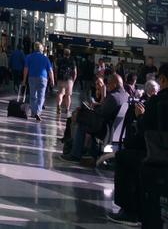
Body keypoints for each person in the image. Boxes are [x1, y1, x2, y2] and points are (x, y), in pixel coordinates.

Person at [110, 63, 168, 225]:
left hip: (158, 159)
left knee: (124, 157)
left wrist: (140, 117)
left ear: (162, 79)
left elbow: (146, 135)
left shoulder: (157, 102)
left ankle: (130, 211)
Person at [60, 73, 128, 165]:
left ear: (115, 84)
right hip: (115, 129)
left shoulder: (113, 96)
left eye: (108, 84)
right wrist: (99, 105)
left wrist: (92, 108)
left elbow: (101, 113)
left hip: (106, 129)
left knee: (81, 121)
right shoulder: (125, 96)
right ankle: (85, 151)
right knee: (82, 117)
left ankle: (75, 154)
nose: (107, 86)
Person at [23, 41, 54, 121]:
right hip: (43, 78)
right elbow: (50, 71)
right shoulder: (45, 58)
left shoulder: (29, 57)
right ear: (41, 49)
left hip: (32, 77)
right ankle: (38, 112)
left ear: (34, 48)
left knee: (33, 96)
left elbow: (26, 69)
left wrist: (24, 80)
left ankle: (33, 112)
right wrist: (52, 80)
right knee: (41, 96)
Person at [56, 47, 78, 117]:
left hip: (61, 79)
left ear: (63, 53)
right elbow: (75, 72)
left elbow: (56, 70)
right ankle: (67, 109)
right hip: (69, 79)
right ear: (69, 54)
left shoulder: (59, 60)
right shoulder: (72, 61)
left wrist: (56, 77)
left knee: (60, 93)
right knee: (68, 95)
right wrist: (73, 80)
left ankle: (59, 105)